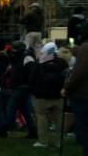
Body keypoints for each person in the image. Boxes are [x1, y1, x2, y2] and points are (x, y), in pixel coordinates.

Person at [0, 41, 37, 139]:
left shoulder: (27, 57)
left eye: (14, 48)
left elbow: (32, 72)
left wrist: (28, 84)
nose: (12, 50)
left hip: (22, 87)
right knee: (25, 110)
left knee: (11, 108)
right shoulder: (18, 57)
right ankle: (32, 131)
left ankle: (3, 130)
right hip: (20, 87)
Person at [30, 42, 68, 149]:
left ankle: (43, 141)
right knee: (59, 120)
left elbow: (32, 78)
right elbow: (67, 77)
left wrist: (35, 91)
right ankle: (58, 142)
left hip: (41, 96)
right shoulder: (62, 62)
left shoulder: (39, 62)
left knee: (42, 118)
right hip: (58, 96)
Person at [64, 25, 88, 156]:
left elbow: (78, 73)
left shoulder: (85, 48)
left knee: (85, 130)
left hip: (83, 95)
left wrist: (67, 86)